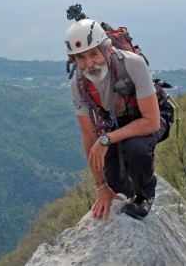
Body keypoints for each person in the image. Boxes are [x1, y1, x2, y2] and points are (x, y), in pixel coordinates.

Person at [65, 18, 167, 220]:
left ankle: (145, 194)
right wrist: (101, 186)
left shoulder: (132, 65)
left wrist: (107, 139)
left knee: (135, 149)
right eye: (81, 58)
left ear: (108, 50)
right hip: (115, 122)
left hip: (151, 116)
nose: (89, 64)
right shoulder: (79, 83)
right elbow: (88, 135)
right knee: (114, 180)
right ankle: (130, 194)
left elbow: (152, 122)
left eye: (94, 54)